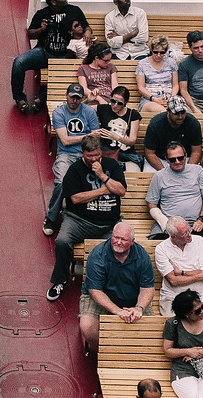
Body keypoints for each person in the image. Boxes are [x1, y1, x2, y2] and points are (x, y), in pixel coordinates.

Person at [48, 135, 126, 301]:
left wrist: (103, 176)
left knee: (125, 246)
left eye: (97, 155)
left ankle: (110, 285)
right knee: (62, 241)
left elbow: (120, 190)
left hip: (109, 224)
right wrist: (102, 191)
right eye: (89, 156)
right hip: (79, 221)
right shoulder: (75, 170)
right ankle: (60, 280)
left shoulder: (111, 165)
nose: (94, 159)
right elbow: (75, 198)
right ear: (82, 153)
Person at [80, 222, 155, 352]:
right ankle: (104, 350)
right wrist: (118, 311)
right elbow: (95, 291)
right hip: (101, 296)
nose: (118, 242)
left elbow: (147, 288)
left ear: (132, 241)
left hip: (132, 297)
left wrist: (139, 308)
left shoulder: (142, 256)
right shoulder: (98, 255)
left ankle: (131, 352)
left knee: (151, 330)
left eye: (124, 239)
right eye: (116, 237)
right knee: (87, 327)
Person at [11, 0, 88, 113]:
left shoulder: (74, 10)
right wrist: (42, 29)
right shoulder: (42, 14)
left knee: (68, 76)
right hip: (45, 52)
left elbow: (86, 26)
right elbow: (30, 34)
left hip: (67, 56)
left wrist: (88, 32)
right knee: (18, 63)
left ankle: (40, 99)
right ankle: (19, 98)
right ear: (53, 2)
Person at [44, 83, 102, 235]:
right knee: (61, 182)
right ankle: (51, 217)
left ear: (81, 98)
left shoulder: (89, 111)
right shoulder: (59, 113)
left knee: (96, 181)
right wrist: (88, 135)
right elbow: (65, 140)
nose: (74, 100)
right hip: (66, 155)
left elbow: (96, 140)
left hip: (86, 155)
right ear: (66, 96)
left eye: (77, 98)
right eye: (72, 97)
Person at [162, 289, 203, 398]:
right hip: (183, 371)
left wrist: (200, 352)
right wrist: (188, 351)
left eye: (202, 307)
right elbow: (167, 351)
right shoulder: (173, 324)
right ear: (186, 314)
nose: (202, 312)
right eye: (197, 311)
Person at [155, 217, 203, 316]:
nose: (189, 234)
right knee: (173, 325)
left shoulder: (199, 241)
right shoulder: (161, 249)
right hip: (173, 296)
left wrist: (181, 273)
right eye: (184, 234)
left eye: (189, 230)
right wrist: (199, 276)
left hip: (200, 295)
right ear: (173, 236)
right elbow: (173, 281)